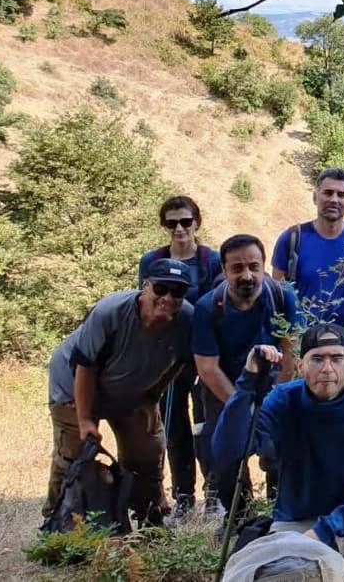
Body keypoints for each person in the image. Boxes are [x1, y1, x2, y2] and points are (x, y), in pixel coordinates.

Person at [212, 326, 344, 581]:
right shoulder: (282, 400)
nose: (327, 368)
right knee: (285, 570)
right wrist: (248, 381)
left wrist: (326, 529)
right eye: (317, 359)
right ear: (300, 366)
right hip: (296, 517)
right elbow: (228, 449)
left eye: (336, 359)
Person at [45, 259, 197, 528]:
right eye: (161, 289)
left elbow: (179, 363)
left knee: (148, 448)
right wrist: (85, 420)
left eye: (178, 292)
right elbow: (85, 366)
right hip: (74, 384)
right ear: (145, 286)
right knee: (75, 454)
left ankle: (150, 518)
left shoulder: (187, 319)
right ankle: (58, 522)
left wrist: (152, 398)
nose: (168, 298)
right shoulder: (111, 312)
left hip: (131, 391)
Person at [192, 234, 302, 508]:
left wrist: (275, 398)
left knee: (282, 450)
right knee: (226, 458)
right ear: (224, 270)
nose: (247, 275)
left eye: (254, 266)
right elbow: (207, 368)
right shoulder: (208, 307)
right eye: (237, 268)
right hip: (225, 387)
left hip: (275, 384)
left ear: (263, 266)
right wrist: (241, 406)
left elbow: (293, 350)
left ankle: (280, 514)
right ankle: (238, 519)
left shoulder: (282, 297)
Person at [137, 195, 222, 521]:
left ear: (197, 222)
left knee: (206, 428)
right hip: (167, 357)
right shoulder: (151, 261)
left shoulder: (211, 260)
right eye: (172, 223)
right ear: (164, 226)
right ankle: (183, 497)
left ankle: (213, 495)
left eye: (185, 221)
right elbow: (144, 303)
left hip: (202, 357)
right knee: (173, 427)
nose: (179, 228)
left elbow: (217, 308)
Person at [271, 168, 344, 358]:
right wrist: (289, 348)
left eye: (341, 194)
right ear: (315, 197)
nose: (334, 200)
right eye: (328, 193)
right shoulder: (292, 239)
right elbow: (277, 297)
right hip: (302, 345)